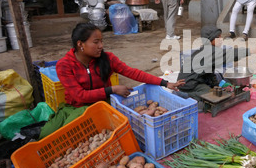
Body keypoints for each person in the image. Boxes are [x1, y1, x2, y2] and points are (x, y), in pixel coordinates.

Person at [56, 22, 185, 107]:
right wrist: (112, 89)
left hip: (105, 104)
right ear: (80, 44)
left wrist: (165, 83)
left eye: (101, 41)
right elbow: (80, 96)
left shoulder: (107, 58)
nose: (101, 46)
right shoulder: (64, 65)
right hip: (78, 108)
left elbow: (133, 73)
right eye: (96, 42)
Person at [177, 25, 256, 109]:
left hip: (196, 81)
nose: (221, 39)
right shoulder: (209, 52)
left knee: (216, 92)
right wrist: (254, 50)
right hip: (188, 85)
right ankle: (190, 97)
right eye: (218, 37)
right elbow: (230, 54)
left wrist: (218, 86)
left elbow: (210, 74)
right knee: (214, 98)